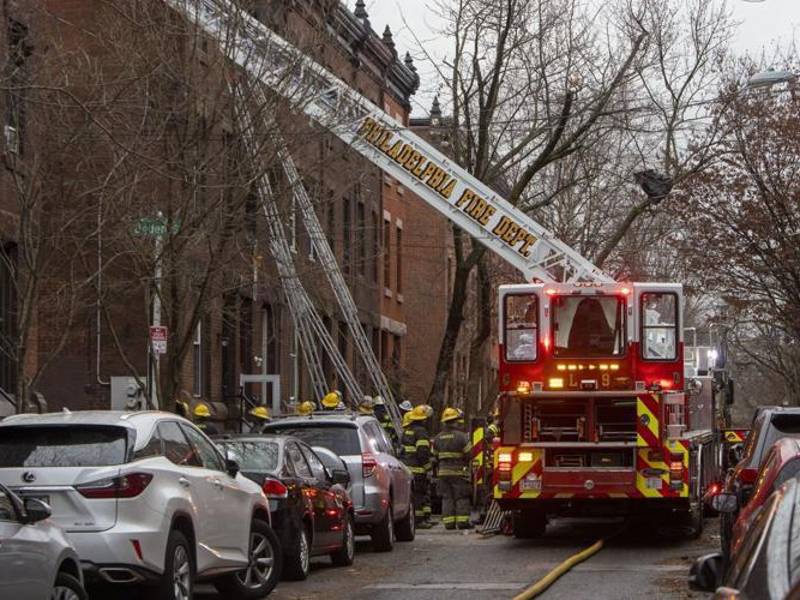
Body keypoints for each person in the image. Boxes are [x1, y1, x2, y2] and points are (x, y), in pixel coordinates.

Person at [433, 407, 472, 530]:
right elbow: (469, 455)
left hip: (443, 473)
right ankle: (462, 522)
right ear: (455, 421)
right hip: (458, 472)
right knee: (461, 497)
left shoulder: (438, 438)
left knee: (447, 498)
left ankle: (449, 523)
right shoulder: (461, 437)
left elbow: (434, 456)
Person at [406, 405, 434, 528]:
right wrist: (428, 468)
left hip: (407, 469)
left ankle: (416, 520)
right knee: (419, 495)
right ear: (423, 420)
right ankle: (419, 521)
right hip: (418, 470)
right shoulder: (421, 432)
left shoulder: (407, 431)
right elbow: (422, 452)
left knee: (412, 495)